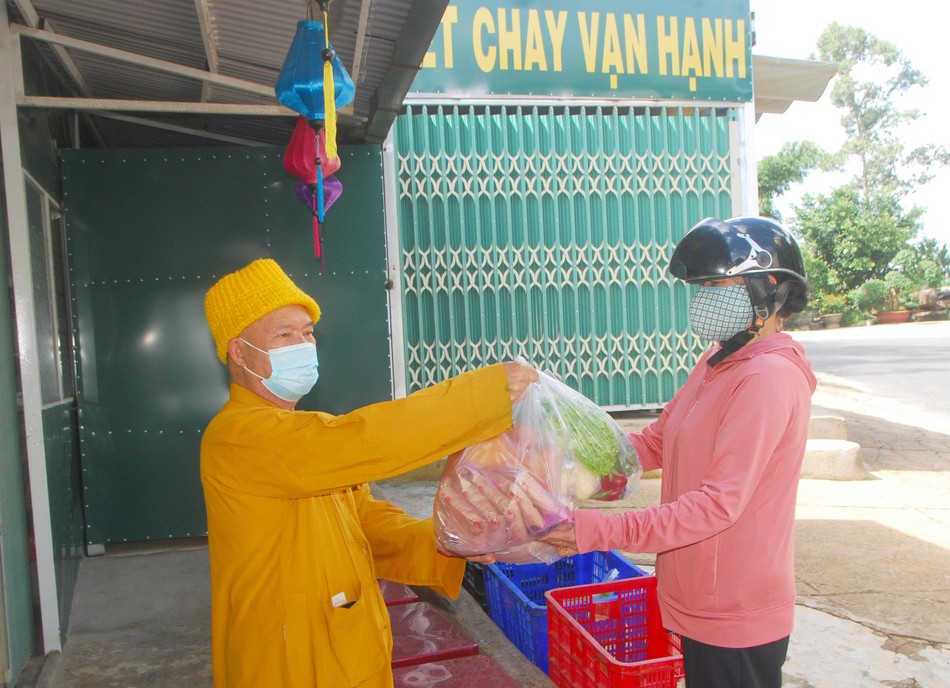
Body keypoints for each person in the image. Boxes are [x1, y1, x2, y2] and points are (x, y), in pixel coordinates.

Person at [199, 257, 537, 688]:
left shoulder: (301, 435)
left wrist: (446, 543)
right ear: (239, 351)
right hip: (289, 660)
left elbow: (366, 522)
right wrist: (484, 397)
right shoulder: (238, 436)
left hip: (348, 649)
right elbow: (364, 440)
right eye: (283, 335)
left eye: (307, 333)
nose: (302, 345)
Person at [542, 217, 816, 688]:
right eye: (703, 286)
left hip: (734, 609)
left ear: (769, 288)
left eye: (717, 284)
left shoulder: (767, 379)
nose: (706, 296)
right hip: (696, 593)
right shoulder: (717, 361)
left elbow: (716, 506)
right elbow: (656, 442)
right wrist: (566, 462)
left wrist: (596, 530)